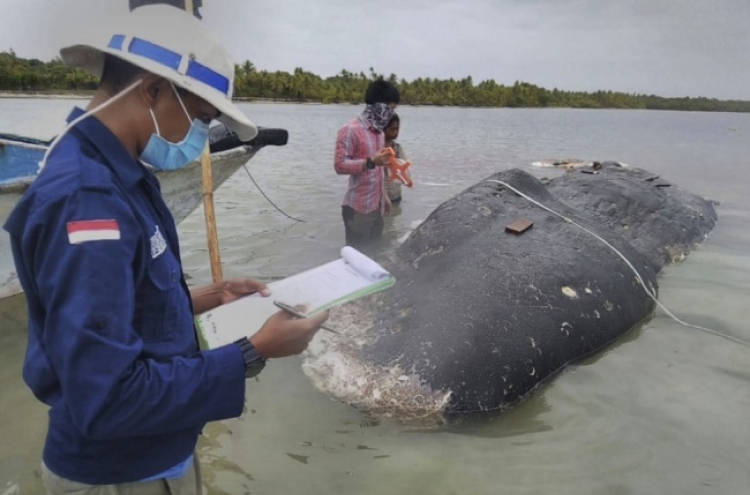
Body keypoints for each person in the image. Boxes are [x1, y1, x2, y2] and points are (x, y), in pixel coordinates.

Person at [2, 6, 328, 494]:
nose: (198, 138)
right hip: (118, 472)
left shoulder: (122, 173)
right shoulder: (88, 201)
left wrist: (207, 296)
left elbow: (116, 306)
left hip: (153, 454)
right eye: (200, 117)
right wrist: (253, 352)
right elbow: (108, 398)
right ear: (153, 89)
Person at [334, 76, 400, 251]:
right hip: (357, 211)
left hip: (376, 208)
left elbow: (377, 173)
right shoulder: (350, 130)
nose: (392, 114)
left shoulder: (378, 132)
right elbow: (339, 165)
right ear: (378, 106)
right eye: (390, 108)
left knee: (373, 256)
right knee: (356, 262)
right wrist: (370, 162)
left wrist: (384, 197)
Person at [383, 113, 407, 205]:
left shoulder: (397, 148)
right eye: (392, 129)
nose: (395, 132)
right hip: (379, 197)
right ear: (383, 129)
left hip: (395, 196)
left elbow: (404, 167)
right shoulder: (377, 149)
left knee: (393, 218)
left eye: (397, 129)